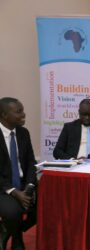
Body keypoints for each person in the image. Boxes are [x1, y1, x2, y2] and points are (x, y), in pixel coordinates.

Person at [0, 97, 37, 250]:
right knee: (13, 211)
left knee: (48, 203)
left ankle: (8, 230)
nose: (24, 115)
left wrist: (29, 186)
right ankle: (16, 238)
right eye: (18, 112)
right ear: (4, 115)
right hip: (3, 188)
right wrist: (15, 192)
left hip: (23, 184)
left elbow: (30, 163)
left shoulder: (23, 133)